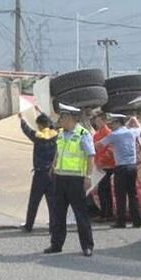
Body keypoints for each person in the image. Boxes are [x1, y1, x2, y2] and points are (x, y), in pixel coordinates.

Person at [45, 103, 96, 257]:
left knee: (80, 213)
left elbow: (90, 156)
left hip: (76, 179)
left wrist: (88, 176)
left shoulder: (83, 134)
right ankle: (56, 244)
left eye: (62, 118)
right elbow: (58, 152)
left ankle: (87, 246)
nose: (60, 121)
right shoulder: (61, 133)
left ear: (71, 119)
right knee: (58, 213)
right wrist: (53, 166)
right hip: (60, 178)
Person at [96, 113, 141, 229]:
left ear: (118, 123)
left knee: (120, 195)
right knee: (133, 194)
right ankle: (137, 221)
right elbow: (139, 128)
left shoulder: (114, 135)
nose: (111, 126)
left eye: (113, 123)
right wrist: (133, 119)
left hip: (121, 168)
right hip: (132, 166)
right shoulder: (132, 132)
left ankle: (121, 221)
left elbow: (99, 145)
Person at [18, 106, 58, 232]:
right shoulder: (56, 134)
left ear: (40, 125)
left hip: (40, 173)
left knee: (34, 201)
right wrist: (40, 111)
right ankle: (53, 227)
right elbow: (52, 124)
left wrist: (21, 119)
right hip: (52, 173)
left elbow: (26, 129)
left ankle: (29, 225)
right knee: (52, 203)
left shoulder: (37, 136)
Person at [92, 112, 116, 222]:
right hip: (99, 165)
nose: (97, 123)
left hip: (108, 165)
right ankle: (105, 213)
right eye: (96, 121)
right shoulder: (96, 134)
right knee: (102, 191)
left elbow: (111, 150)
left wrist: (101, 160)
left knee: (105, 190)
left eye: (99, 121)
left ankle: (106, 214)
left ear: (104, 121)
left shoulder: (109, 133)